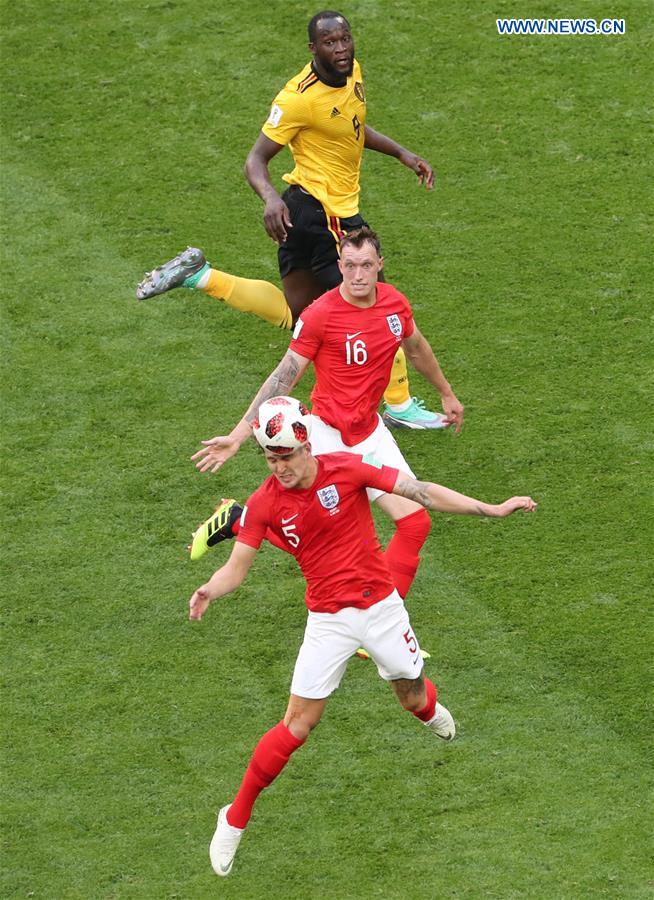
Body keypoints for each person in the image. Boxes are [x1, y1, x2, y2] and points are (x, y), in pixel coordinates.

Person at [189, 401, 537, 876]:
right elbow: (236, 568)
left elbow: (421, 493)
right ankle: (233, 818)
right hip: (328, 622)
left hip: (383, 612)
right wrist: (211, 587)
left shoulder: (349, 468)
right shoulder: (266, 501)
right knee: (296, 725)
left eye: (286, 457)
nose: (280, 468)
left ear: (307, 445)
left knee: (413, 698)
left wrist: (492, 509)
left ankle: (430, 712)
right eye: (271, 459)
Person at [136, 10, 443, 429]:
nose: (340, 49)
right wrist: (268, 198)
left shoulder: (353, 73)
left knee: (299, 319)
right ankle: (401, 405)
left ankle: (199, 276)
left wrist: (401, 153)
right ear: (312, 48)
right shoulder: (297, 98)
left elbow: (352, 127)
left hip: (301, 213)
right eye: (330, 43)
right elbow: (255, 160)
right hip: (327, 216)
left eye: (345, 39)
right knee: (377, 307)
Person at [190, 228, 464, 611]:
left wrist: (446, 392)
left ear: (379, 266)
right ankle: (241, 520)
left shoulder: (395, 305)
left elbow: (416, 348)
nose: (357, 275)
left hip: (370, 434)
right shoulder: (321, 315)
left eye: (366, 265)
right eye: (349, 266)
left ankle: (383, 620)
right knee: (322, 535)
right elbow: (284, 375)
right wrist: (238, 436)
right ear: (339, 266)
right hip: (327, 435)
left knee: (415, 523)